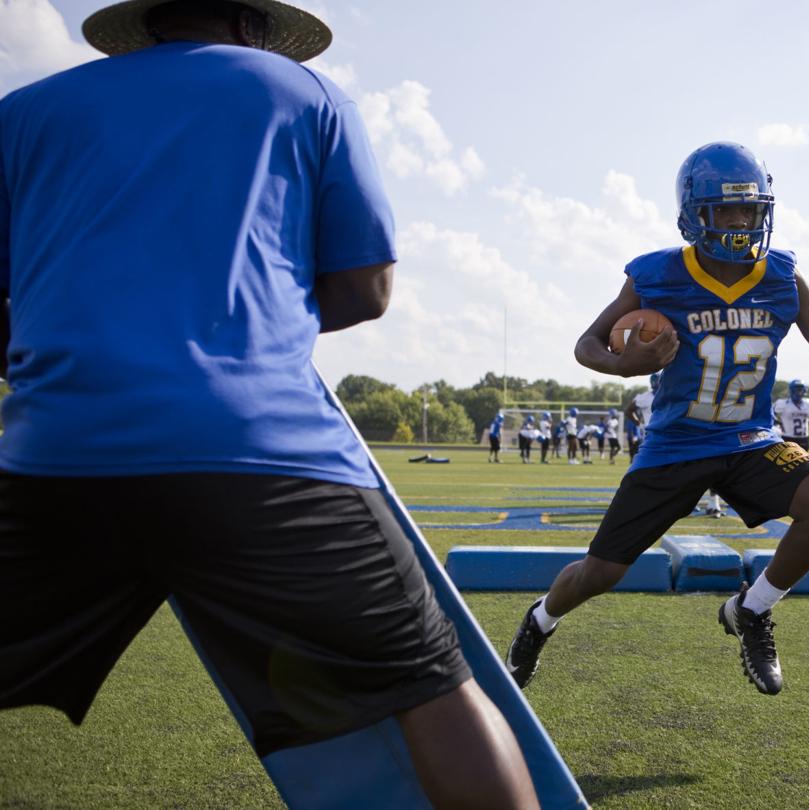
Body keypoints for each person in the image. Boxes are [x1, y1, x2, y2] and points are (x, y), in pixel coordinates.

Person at [0, 2, 535, 807]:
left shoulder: (24, 111)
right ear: (253, 23)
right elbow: (368, 286)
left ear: (148, 22)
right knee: (435, 687)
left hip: (55, 449)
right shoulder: (307, 94)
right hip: (261, 447)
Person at [505, 141, 809, 696]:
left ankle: (751, 610)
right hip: (676, 443)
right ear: (692, 215)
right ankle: (539, 621)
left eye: (749, 210)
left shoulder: (783, 277)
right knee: (601, 573)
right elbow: (586, 343)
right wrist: (621, 364)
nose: (739, 222)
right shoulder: (656, 275)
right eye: (724, 210)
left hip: (750, 438)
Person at [773, 379, 809, 450]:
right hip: (788, 437)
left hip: (804, 438)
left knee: (804, 460)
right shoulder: (783, 403)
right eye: (796, 390)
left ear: (804, 391)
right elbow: (771, 414)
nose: (798, 392)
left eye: (800, 390)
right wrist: (778, 423)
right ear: (791, 390)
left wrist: (808, 422)